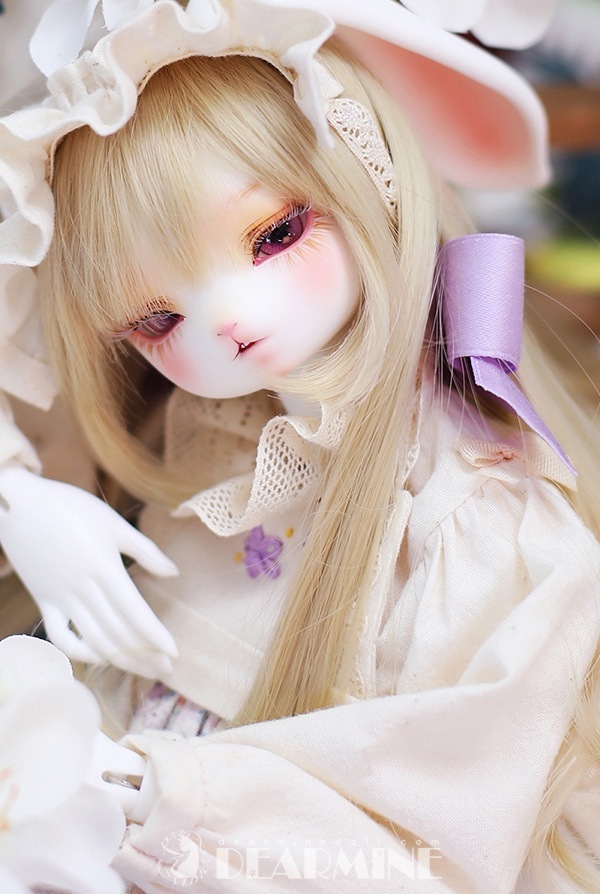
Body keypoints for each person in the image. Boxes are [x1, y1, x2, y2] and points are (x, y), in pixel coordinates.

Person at [0, 1, 598, 891]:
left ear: (371, 176)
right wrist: (18, 496)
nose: (228, 321)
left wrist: (136, 793)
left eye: (274, 234)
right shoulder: (206, 442)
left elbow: (430, 849)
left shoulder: (477, 523)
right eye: (156, 319)